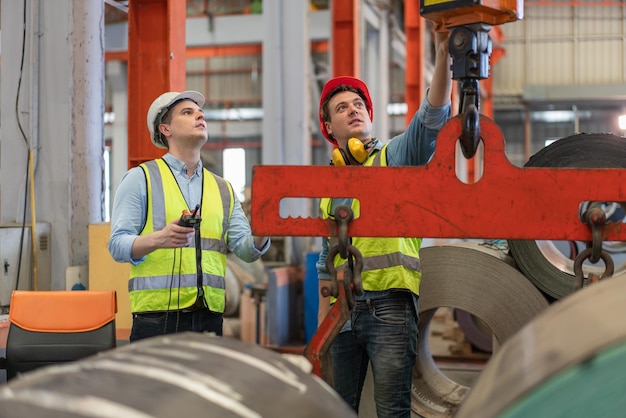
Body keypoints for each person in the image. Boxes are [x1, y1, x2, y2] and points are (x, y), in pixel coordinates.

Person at [316, 30, 452, 418]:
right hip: (341, 311)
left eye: (359, 104)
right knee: (336, 409)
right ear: (329, 127)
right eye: (341, 107)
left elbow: (431, 119)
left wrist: (442, 54)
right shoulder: (328, 184)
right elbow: (326, 255)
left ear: (371, 116)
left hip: (390, 305)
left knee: (392, 411)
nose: (353, 109)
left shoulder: (393, 159)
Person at [109, 90, 270, 342]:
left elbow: (247, 251)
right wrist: (159, 239)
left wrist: (266, 225)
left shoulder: (223, 189)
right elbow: (117, 245)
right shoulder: (141, 179)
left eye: (200, 112)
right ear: (166, 129)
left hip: (210, 315)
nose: (199, 115)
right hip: (156, 317)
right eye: (188, 112)